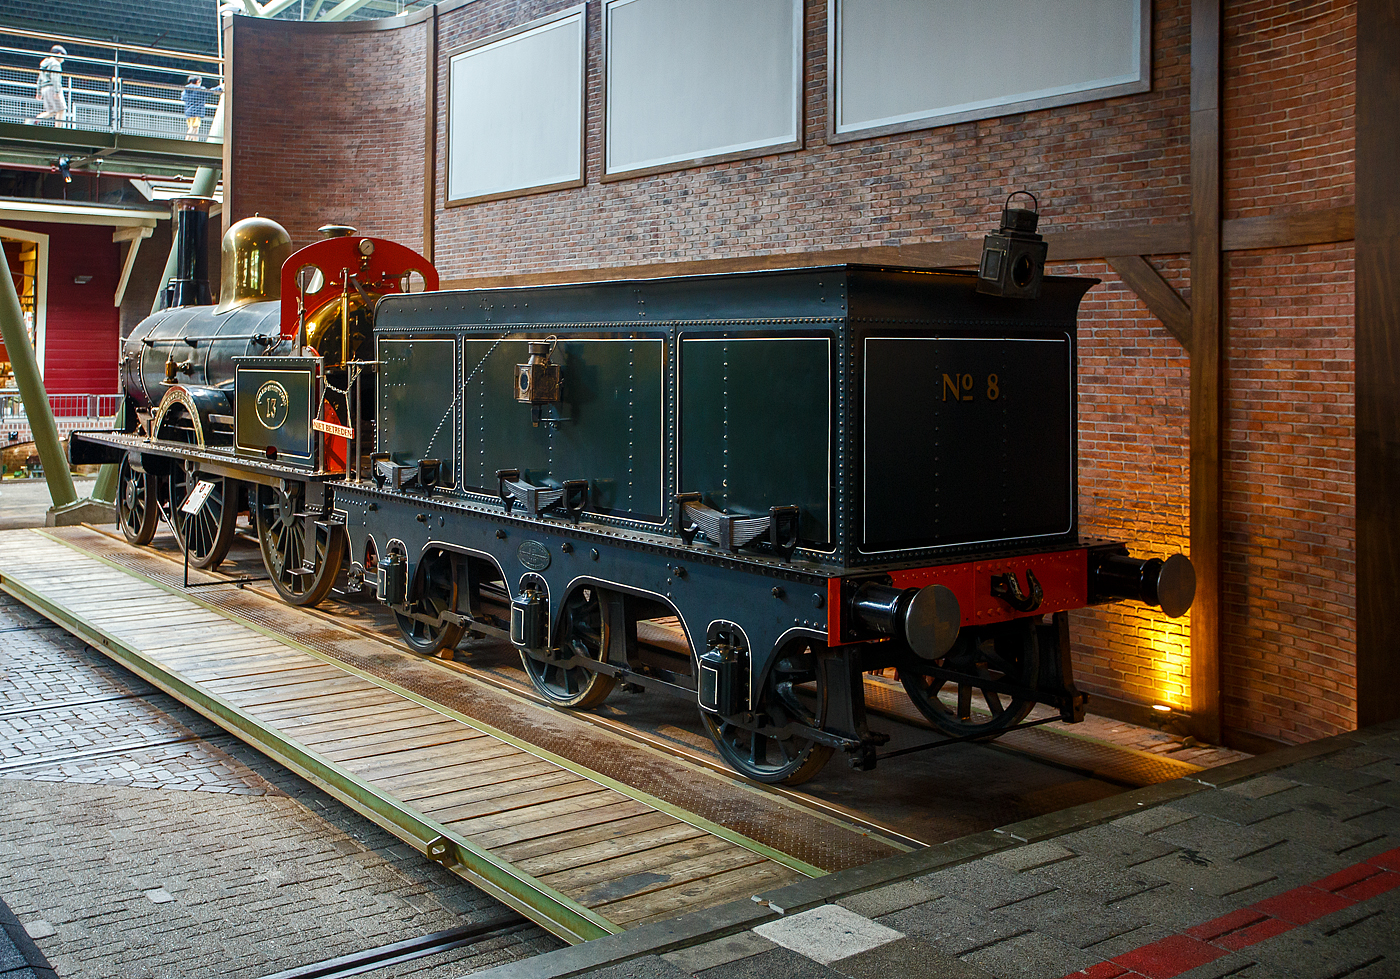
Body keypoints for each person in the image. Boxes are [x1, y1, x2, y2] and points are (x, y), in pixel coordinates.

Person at [29, 45, 67, 127]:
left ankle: (36, 119)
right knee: (61, 109)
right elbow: (55, 78)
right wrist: (57, 91)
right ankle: (58, 129)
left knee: (51, 111)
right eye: (63, 57)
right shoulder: (56, 64)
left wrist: (38, 92)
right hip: (52, 88)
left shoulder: (44, 63)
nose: (63, 60)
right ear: (59, 54)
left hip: (44, 89)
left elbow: (40, 79)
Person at [182, 76, 211, 140]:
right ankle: (186, 141)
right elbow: (209, 92)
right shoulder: (199, 90)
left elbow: (183, 98)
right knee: (193, 128)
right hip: (196, 112)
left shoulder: (185, 91)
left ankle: (195, 141)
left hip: (188, 112)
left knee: (195, 128)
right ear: (198, 81)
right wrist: (220, 88)